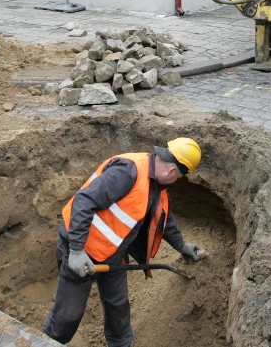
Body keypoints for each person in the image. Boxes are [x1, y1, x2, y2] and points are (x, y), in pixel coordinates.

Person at [42, 137, 208, 346]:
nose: (177, 181)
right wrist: (76, 250)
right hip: (81, 247)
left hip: (112, 254)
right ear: (172, 171)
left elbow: (163, 218)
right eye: (180, 177)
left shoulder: (157, 185)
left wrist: (182, 246)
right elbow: (84, 201)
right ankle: (46, 342)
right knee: (69, 314)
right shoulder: (128, 172)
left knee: (118, 306)